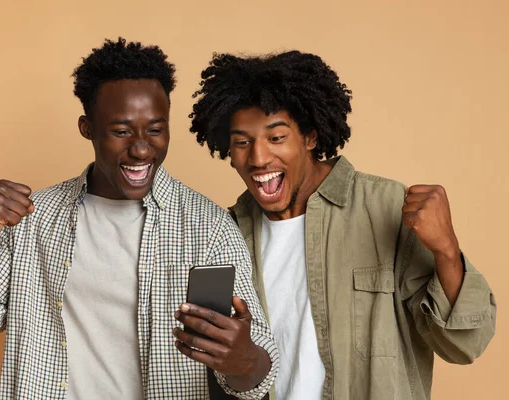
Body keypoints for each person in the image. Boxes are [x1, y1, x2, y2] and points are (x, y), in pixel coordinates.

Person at [0, 38, 278, 400]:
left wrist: (243, 360)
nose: (142, 148)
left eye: (156, 130)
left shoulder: (208, 228)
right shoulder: (32, 220)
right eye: (121, 131)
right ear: (87, 128)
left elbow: (254, 379)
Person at [189, 50, 496, 400]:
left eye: (276, 138)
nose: (258, 158)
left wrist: (446, 251)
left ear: (310, 137)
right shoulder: (224, 233)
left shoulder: (386, 207)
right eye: (242, 143)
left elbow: (465, 343)